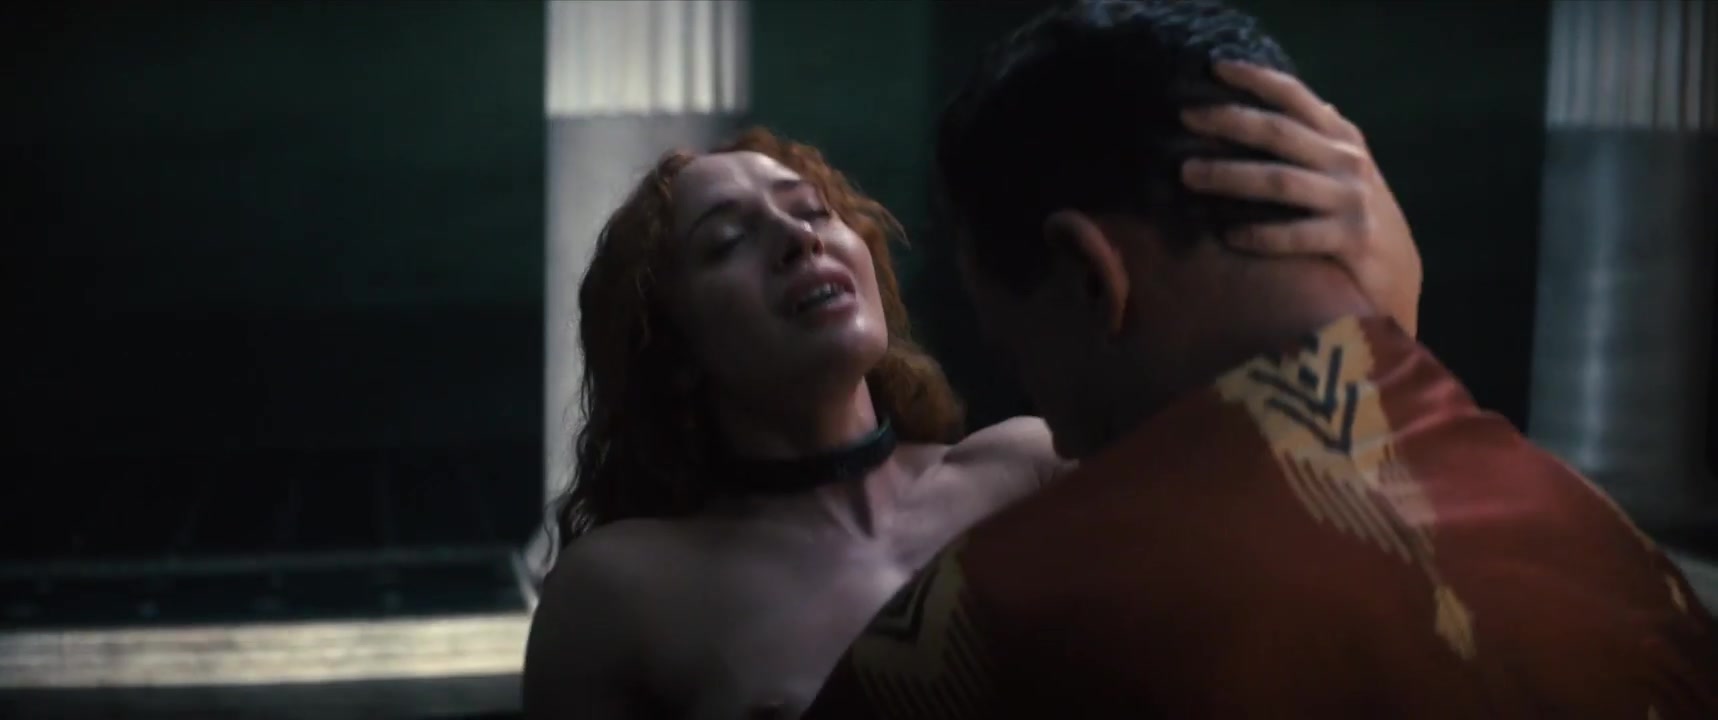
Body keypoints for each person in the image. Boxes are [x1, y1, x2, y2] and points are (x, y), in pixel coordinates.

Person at [803, 1, 1718, 718]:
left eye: (1018, 349)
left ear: (1089, 275)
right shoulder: (1622, 559)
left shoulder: (989, 630)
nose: (1064, 440)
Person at [523, 80, 1421, 717]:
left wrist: (1381, 307)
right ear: (672, 350)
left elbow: (1295, 534)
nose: (800, 239)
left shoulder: (1030, 467)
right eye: (728, 240)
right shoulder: (620, 594)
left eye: (812, 210)